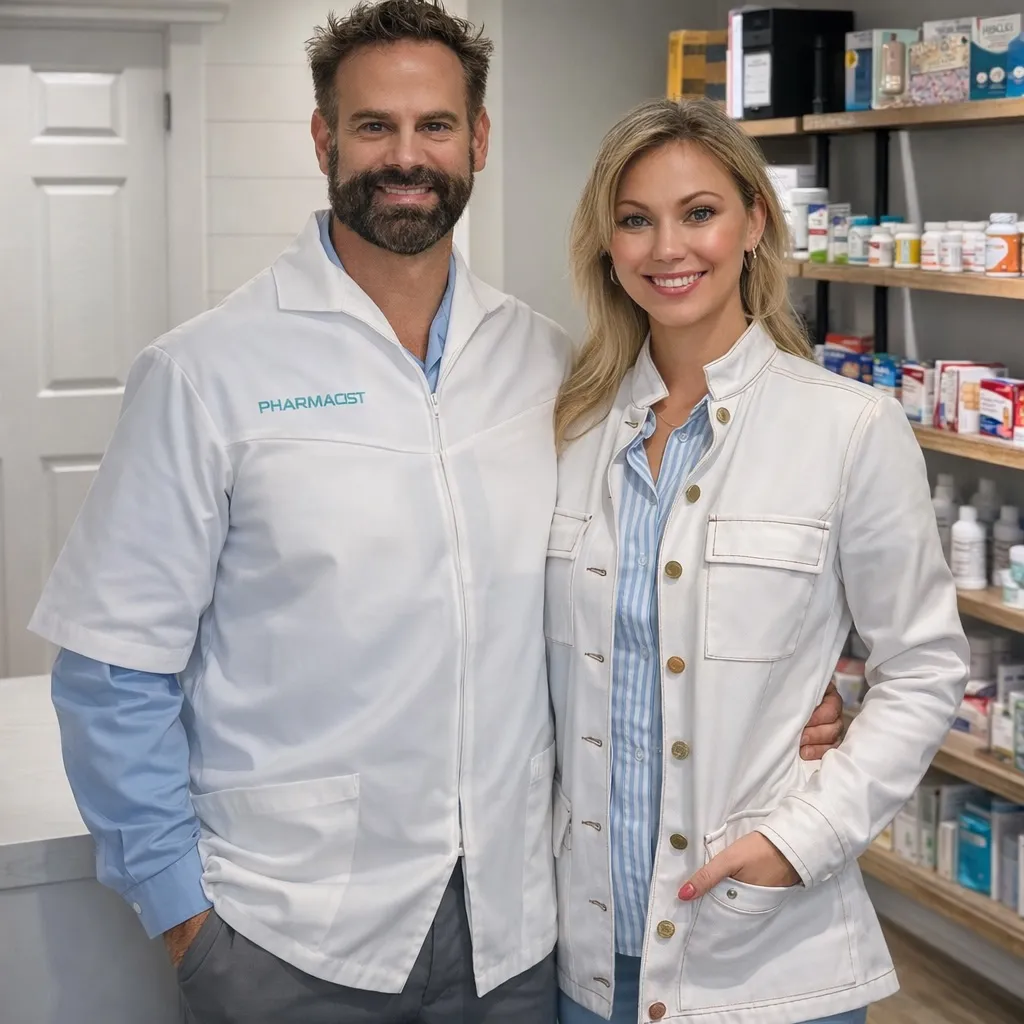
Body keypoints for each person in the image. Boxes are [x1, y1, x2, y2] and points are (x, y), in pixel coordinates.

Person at [29, 4, 843, 1023]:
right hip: (291, 937)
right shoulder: (207, 373)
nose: (405, 156)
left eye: (435, 126)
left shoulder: (552, 368)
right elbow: (112, 671)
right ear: (324, 139)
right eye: (373, 126)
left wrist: (786, 700)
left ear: (480, 141)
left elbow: (635, 593)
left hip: (518, 932)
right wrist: (185, 919)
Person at [547, 99, 969, 1024]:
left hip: (763, 953)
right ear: (607, 243)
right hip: (583, 950)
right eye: (635, 219)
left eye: (699, 212)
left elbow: (927, 666)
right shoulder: (569, 429)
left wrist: (801, 838)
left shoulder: (848, 427)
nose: (668, 247)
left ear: (754, 223)